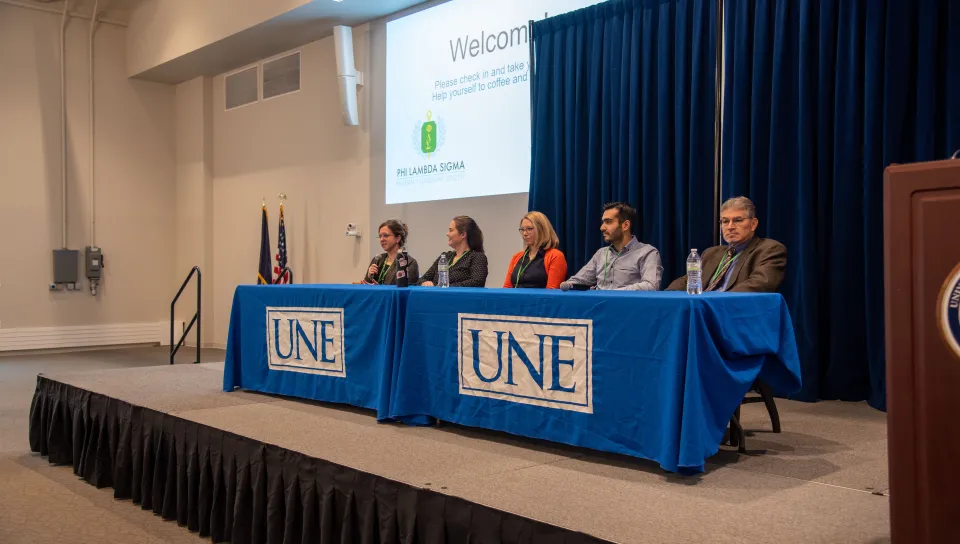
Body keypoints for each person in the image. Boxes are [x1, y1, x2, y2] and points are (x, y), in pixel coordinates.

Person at [667, 196, 786, 292]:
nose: (730, 227)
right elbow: (688, 280)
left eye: (737, 220)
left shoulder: (769, 249)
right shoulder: (711, 253)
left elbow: (760, 284)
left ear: (753, 224)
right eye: (725, 221)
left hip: (734, 310)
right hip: (702, 308)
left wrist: (716, 301)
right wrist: (668, 294)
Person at [560, 202, 662, 291]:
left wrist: (611, 293)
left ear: (625, 225)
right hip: (599, 306)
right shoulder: (601, 254)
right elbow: (578, 281)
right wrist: (569, 285)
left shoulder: (647, 253)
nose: (602, 228)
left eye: (608, 222)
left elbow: (650, 286)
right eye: (603, 222)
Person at [503, 211, 568, 289]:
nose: (524, 234)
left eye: (529, 229)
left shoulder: (555, 256)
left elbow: (551, 292)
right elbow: (506, 288)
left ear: (542, 230)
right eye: (522, 229)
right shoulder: (516, 257)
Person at [418, 216, 488, 287]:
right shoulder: (445, 256)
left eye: (451, 230)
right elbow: (422, 279)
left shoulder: (477, 257)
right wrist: (426, 282)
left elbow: (477, 282)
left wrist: (446, 287)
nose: (447, 234)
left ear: (463, 234)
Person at [362, 219, 420, 285]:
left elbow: (406, 289)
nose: (381, 239)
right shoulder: (377, 259)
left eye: (386, 235)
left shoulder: (409, 263)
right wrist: (369, 277)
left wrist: (379, 288)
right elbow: (366, 285)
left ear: (397, 238)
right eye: (380, 236)